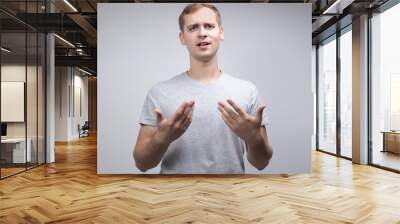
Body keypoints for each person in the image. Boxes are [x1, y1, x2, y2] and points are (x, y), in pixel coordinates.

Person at [133, 3, 273, 174]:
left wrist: (252, 137)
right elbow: (142, 164)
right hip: (174, 196)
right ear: (182, 37)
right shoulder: (159, 92)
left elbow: (262, 163)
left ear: (220, 32)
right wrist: (162, 139)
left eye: (209, 26)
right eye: (193, 28)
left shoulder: (247, 90)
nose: (202, 33)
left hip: (230, 196)